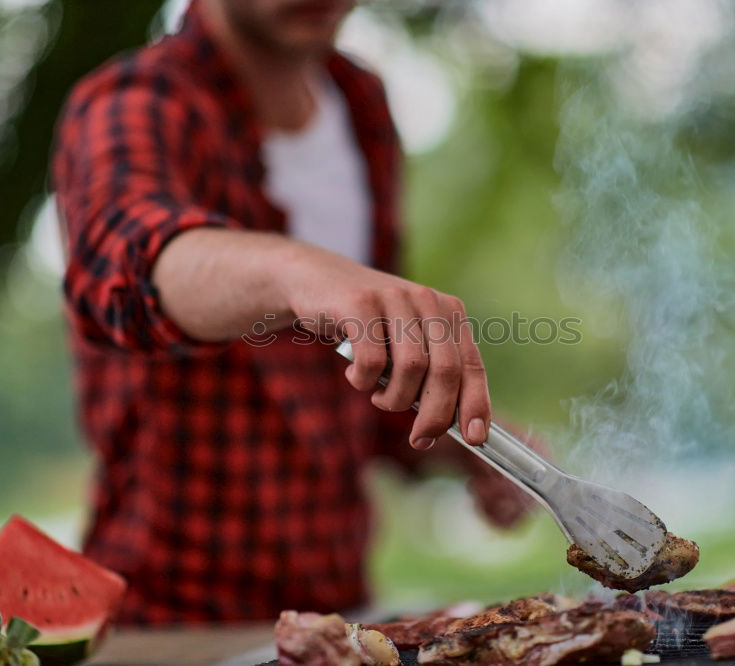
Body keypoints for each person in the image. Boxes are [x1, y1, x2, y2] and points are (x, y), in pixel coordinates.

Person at [53, 0, 531, 625]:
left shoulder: (362, 106)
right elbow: (121, 257)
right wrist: (303, 272)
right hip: (169, 622)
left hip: (336, 615)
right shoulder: (136, 99)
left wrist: (460, 438)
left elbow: (357, 381)